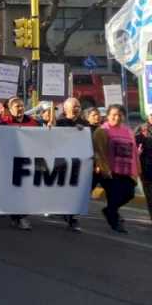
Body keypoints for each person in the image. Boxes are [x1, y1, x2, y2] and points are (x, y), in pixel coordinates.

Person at [93, 104, 140, 233]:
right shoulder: (102, 130)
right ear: (108, 116)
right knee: (114, 196)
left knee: (129, 194)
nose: (117, 117)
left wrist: (137, 169)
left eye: (120, 115)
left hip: (126, 170)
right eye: (113, 114)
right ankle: (115, 223)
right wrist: (104, 168)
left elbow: (134, 151)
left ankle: (108, 211)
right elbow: (99, 150)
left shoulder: (128, 131)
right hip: (110, 170)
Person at [0, 97, 40, 230]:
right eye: (17, 106)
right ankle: (18, 217)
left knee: (26, 190)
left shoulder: (34, 123)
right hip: (10, 162)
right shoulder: (4, 123)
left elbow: (43, 139)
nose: (21, 108)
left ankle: (20, 217)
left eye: (22, 106)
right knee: (14, 190)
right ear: (10, 110)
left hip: (28, 162)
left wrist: (50, 127)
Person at [54, 97, 89, 231]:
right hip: (61, 162)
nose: (76, 109)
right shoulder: (59, 122)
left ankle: (72, 217)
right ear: (65, 108)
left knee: (74, 190)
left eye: (78, 106)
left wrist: (83, 131)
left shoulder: (85, 124)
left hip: (78, 163)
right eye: (73, 106)